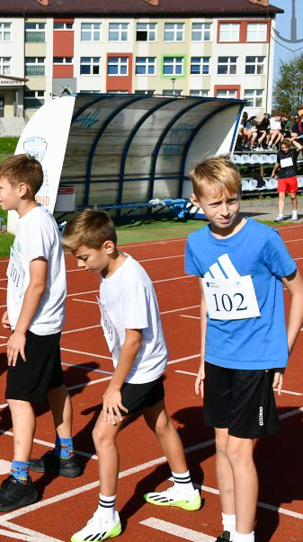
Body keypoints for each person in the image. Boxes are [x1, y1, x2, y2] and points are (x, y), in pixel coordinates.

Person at [187, 156, 303, 542]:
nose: (225, 211)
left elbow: (301, 294)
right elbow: (207, 299)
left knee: (240, 451)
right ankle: (228, 526)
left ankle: (244, 537)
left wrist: (282, 354)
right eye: (215, 203)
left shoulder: (264, 239)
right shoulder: (196, 243)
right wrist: (204, 359)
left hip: (256, 360)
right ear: (197, 202)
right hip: (219, 358)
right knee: (221, 446)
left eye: (233, 201)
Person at [61, 210, 201, 542]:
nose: (79, 265)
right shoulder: (109, 271)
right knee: (161, 422)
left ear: (107, 246)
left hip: (141, 370)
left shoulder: (131, 280)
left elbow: (134, 339)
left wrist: (114, 387)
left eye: (83, 257)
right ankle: (186, 489)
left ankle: (107, 516)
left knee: (102, 436)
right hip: (143, 367)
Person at [0, 154, 81, 513]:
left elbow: (38, 282)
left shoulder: (35, 224)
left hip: (38, 326)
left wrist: (20, 330)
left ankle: (21, 479)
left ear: (22, 189)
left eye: (0, 187)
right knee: (54, 384)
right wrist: (14, 308)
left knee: (19, 398)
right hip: (38, 321)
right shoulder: (29, 220)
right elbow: (27, 278)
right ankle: (67, 455)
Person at [271, 137, 303, 222]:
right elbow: (278, 162)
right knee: (281, 196)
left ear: (289, 147)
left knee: (292, 196)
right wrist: (274, 171)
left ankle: (294, 212)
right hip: (282, 177)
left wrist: (292, 140)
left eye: (286, 148)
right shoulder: (280, 153)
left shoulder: (293, 152)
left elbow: (300, 147)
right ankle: (280, 215)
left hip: (291, 176)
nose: (284, 150)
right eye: (282, 148)